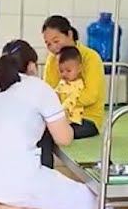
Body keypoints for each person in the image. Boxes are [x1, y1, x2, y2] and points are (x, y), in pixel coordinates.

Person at [0, 39, 120, 209]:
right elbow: (64, 138)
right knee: (94, 204)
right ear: (32, 66)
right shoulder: (39, 88)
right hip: (15, 185)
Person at [38, 15, 105, 168]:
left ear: (69, 34)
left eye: (56, 41)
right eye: (48, 44)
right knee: (34, 126)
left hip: (87, 120)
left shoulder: (90, 58)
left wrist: (65, 104)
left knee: (46, 133)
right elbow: (49, 93)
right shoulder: (52, 59)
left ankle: (44, 176)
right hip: (60, 115)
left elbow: (91, 96)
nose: (53, 47)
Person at [55, 46, 85, 125]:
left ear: (79, 68)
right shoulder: (62, 82)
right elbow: (56, 93)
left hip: (73, 118)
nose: (64, 74)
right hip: (60, 114)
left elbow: (72, 99)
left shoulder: (79, 84)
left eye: (68, 71)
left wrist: (63, 110)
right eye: (61, 71)